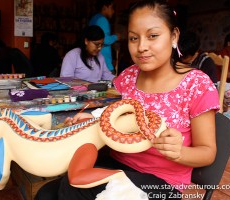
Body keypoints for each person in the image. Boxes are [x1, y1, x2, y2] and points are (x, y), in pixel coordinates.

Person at [35, 0, 219, 199]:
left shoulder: (196, 84)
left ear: (174, 36)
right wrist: (91, 121)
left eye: (153, 36)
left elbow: (207, 153)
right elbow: (115, 119)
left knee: (76, 189)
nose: (141, 47)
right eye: (133, 38)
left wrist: (178, 151)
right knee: (47, 193)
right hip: (119, 164)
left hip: (163, 183)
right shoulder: (128, 76)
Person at [89, 0, 120, 74]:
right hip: (105, 63)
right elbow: (104, 40)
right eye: (112, 8)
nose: (113, 11)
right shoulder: (103, 20)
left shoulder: (93, 19)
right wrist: (116, 37)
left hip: (94, 61)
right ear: (105, 7)